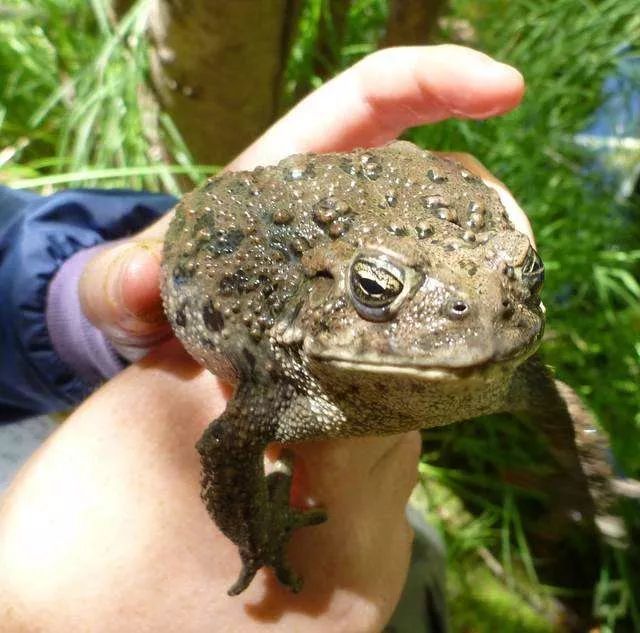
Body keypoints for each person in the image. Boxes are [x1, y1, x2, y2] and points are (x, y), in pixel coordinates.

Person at [0, 45, 529, 632]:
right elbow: (224, 451)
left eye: (523, 276)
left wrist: (68, 309)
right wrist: (258, 535)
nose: (469, 312)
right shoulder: (282, 381)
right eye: (379, 288)